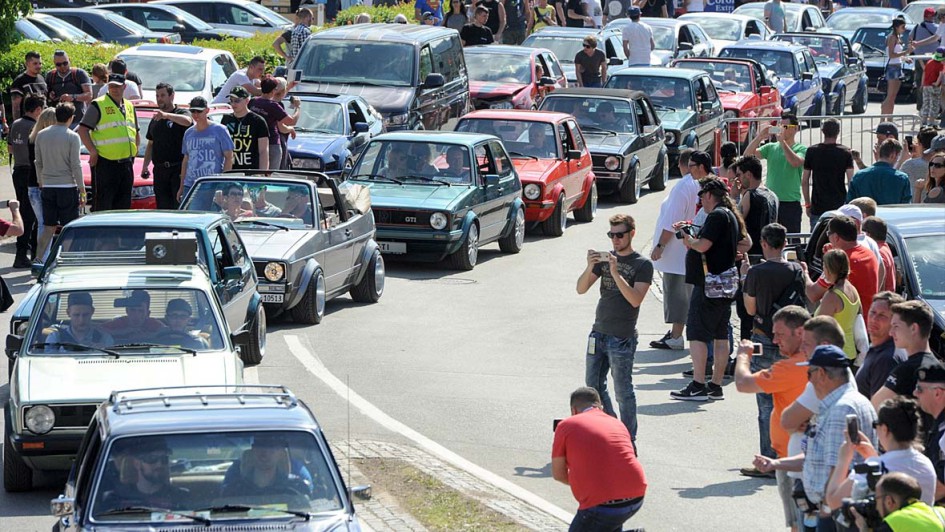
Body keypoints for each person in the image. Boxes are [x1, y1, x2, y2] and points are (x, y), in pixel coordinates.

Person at [671, 176, 751, 402]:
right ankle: (715, 385)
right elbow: (744, 243)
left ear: (708, 195)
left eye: (701, 197)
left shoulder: (716, 216)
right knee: (720, 333)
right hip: (725, 285)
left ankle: (698, 384)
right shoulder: (731, 216)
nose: (701, 202)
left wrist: (688, 240)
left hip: (709, 285)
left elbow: (703, 245)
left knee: (697, 334)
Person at [577, 214, 653, 444]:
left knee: (623, 390)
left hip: (622, 337)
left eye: (620, 235)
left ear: (632, 233)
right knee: (593, 386)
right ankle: (610, 429)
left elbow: (635, 299)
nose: (615, 240)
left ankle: (628, 439)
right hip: (598, 332)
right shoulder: (605, 261)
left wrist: (616, 272)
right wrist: (591, 265)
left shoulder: (642, 264)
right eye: (612, 235)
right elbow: (581, 289)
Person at [733, 306, 810, 516]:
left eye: (780, 335)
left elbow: (743, 383)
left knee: (798, 522)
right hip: (800, 457)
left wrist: (743, 356)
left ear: (800, 332)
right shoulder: (820, 359)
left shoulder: (791, 368)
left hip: (792, 459)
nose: (775, 341)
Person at [799, 345, 878, 531]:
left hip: (835, 514)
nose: (809, 381)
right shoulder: (851, 401)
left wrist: (826, 511)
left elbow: (837, 469)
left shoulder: (841, 409)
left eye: (809, 374)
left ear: (820, 374)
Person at [551, 387, 646, 531]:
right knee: (608, 523)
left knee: (602, 520)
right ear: (599, 406)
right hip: (636, 495)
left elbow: (559, 474)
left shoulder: (565, 426)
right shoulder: (616, 423)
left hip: (602, 504)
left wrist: (586, 483)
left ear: (573, 410)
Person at [826, 397, 937, 512]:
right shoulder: (926, 463)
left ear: (884, 429)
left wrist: (843, 460)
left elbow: (833, 501)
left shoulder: (875, 465)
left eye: (876, 424)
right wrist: (872, 456)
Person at [650, 148, 699, 352]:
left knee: (677, 294)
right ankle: (676, 333)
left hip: (677, 251)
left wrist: (660, 246)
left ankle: (677, 335)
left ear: (683, 165)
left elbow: (672, 221)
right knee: (684, 294)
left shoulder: (683, 186)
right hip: (688, 249)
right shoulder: (698, 183)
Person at [78, 73, 139, 212]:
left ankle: (119, 234)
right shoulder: (98, 104)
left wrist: (133, 153)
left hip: (126, 164)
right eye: (111, 86)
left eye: (117, 86)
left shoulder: (129, 105)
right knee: (103, 207)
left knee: (123, 207)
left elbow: (135, 131)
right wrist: (92, 151)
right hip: (105, 164)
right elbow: (83, 130)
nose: (114, 89)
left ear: (124, 86)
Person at [35, 103, 85, 259]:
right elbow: (75, 165)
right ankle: (65, 259)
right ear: (71, 118)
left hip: (48, 186)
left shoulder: (41, 135)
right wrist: (82, 189)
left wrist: (41, 181)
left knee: (48, 227)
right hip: (67, 186)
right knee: (69, 227)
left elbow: (39, 162)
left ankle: (38, 260)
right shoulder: (72, 136)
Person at [871, 300, 939, 410]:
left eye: (896, 326)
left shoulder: (906, 371)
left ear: (913, 328)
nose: (891, 332)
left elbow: (873, 407)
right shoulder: (938, 368)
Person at [745, 114, 807, 233]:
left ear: (795, 128)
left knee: (793, 239)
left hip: (790, 203)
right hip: (771, 201)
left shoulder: (801, 149)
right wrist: (759, 137)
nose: (782, 129)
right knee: (770, 237)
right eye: (780, 126)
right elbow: (747, 156)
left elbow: (795, 162)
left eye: (786, 126)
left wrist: (783, 143)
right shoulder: (771, 147)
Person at [141, 83, 193, 210]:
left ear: (172, 96)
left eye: (163, 95)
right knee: (163, 208)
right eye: (157, 96)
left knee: (179, 207)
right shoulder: (155, 119)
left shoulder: (180, 112)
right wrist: (145, 166)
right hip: (159, 171)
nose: (159, 99)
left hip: (177, 170)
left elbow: (188, 121)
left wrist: (167, 116)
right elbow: (150, 144)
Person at [99, 438, 188, 511]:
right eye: (151, 459)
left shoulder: (181, 497)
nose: (159, 464)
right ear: (137, 463)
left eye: (164, 459)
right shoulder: (116, 499)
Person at [7, 93, 44, 268]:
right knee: (32, 215)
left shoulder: (15, 124)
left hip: (18, 170)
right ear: (37, 109)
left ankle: (23, 253)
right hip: (31, 172)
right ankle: (25, 254)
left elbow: (10, 147)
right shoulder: (35, 127)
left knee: (25, 212)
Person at [221, 434, 312, 499]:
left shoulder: (296, 489)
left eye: (272, 448)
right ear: (253, 451)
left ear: (281, 453)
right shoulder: (233, 491)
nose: (265, 453)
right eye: (260, 446)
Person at [178, 97, 234, 202]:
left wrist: (223, 184)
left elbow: (229, 157)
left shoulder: (220, 130)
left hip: (212, 184)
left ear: (207, 110)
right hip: (190, 185)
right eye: (193, 111)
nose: (196, 114)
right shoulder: (188, 133)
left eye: (199, 111)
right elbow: (186, 160)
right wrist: (181, 186)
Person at [802, 118, 855, 231]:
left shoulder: (812, 151)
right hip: (839, 205)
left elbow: (805, 180)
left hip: (818, 205)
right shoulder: (845, 152)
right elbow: (851, 180)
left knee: (816, 240)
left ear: (822, 131)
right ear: (838, 131)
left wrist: (807, 203)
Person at [851, 472, 945, 532]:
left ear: (889, 501)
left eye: (877, 499)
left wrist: (863, 528)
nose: (876, 507)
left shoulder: (895, 521)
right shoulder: (941, 512)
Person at [855, 292, 905, 400]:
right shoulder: (877, 348)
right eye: (872, 312)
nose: (874, 319)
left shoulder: (886, 359)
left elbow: (881, 410)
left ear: (895, 321)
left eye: (882, 315)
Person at [816, 249, 862, 363]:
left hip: (833, 355)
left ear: (829, 269)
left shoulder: (832, 296)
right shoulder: (852, 289)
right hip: (849, 353)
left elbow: (818, 328)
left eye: (824, 266)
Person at [913, 362, 945, 503]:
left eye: (920, 389)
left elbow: (942, 486)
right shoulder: (938, 425)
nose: (915, 393)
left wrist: (912, 510)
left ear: (937, 393)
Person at [251, 77, 298, 171]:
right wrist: (298, 107)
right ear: (273, 91)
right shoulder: (273, 106)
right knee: (271, 174)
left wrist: (287, 88)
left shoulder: (253, 102)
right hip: (272, 143)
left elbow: (277, 96)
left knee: (256, 173)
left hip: (254, 143)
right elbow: (291, 121)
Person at [736, 155, 778, 258]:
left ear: (748, 174)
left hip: (751, 255)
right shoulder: (773, 195)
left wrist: (733, 196)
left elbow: (735, 222)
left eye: (739, 175)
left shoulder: (750, 195)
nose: (738, 179)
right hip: (769, 253)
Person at [847, 139, 912, 205]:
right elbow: (905, 206)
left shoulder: (858, 176)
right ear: (893, 155)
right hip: (891, 214)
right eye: (898, 156)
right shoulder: (902, 178)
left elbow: (850, 204)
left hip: (865, 214)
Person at [223, 86, 270, 171]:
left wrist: (263, 173)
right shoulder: (226, 119)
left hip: (251, 171)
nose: (233, 104)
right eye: (231, 100)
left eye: (237, 101)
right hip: (230, 171)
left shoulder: (258, 121)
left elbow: (263, 151)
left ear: (247, 101)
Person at [45, 292, 115, 348]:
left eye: (85, 315)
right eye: (76, 315)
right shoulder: (56, 338)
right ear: (68, 313)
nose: (81, 320)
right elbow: (46, 362)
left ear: (92, 311)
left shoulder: (104, 339)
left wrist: (103, 353)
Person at [43, 50, 92, 129]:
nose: (62, 66)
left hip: (76, 120)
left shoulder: (79, 74)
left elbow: (89, 95)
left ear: (69, 60)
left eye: (65, 63)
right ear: (54, 64)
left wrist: (72, 97)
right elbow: (45, 95)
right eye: (58, 64)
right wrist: (50, 95)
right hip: (56, 121)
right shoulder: (50, 76)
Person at [100, 290, 165, 342]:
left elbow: (168, 331)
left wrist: (150, 336)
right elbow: (96, 329)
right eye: (133, 310)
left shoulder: (153, 324)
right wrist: (120, 332)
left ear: (148, 313)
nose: (136, 315)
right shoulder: (120, 322)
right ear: (127, 311)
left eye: (141, 311)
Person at [882, 18, 914, 118]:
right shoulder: (892, 38)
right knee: (890, 96)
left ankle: (890, 118)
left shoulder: (897, 37)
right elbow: (891, 55)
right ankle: (882, 120)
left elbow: (896, 55)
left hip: (897, 66)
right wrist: (906, 52)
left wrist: (905, 58)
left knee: (893, 96)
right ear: (896, 27)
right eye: (902, 27)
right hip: (892, 68)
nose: (904, 29)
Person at [899, 128, 940, 200]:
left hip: (915, 205)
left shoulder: (909, 165)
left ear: (920, 144)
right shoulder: (940, 164)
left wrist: (903, 158)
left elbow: (897, 180)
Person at [10, 51, 47, 122]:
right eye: (35, 63)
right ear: (27, 64)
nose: (39, 66)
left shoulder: (42, 79)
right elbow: (16, 107)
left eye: (40, 63)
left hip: (42, 123)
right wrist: (18, 125)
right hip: (27, 123)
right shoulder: (19, 81)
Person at [862, 216, 895, 293]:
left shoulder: (878, 253)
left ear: (867, 234)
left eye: (862, 231)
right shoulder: (885, 248)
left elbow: (880, 284)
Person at [920, 48, 944, 127]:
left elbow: (924, 72)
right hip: (934, 86)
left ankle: (923, 122)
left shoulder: (929, 62)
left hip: (926, 85)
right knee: (934, 104)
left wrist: (922, 83)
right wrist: (937, 83)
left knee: (926, 103)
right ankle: (931, 122)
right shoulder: (941, 65)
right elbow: (941, 75)